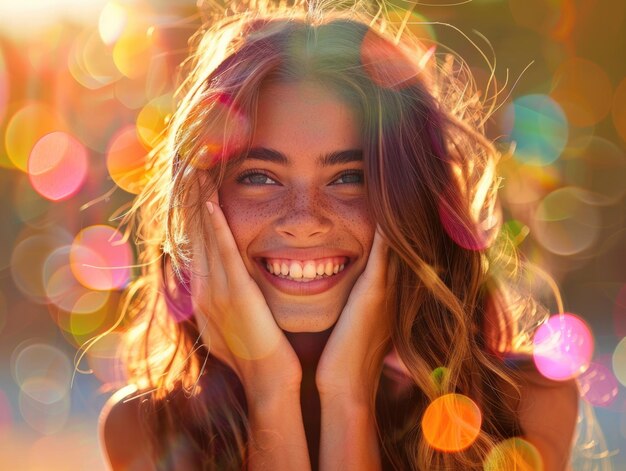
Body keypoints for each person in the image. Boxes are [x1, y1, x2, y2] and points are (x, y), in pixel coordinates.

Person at [97, 1, 583, 469]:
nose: (304, 219)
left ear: (412, 197)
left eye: (349, 177)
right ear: (200, 204)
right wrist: (271, 390)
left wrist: (349, 396)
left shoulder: (525, 407)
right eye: (260, 176)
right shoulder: (146, 427)